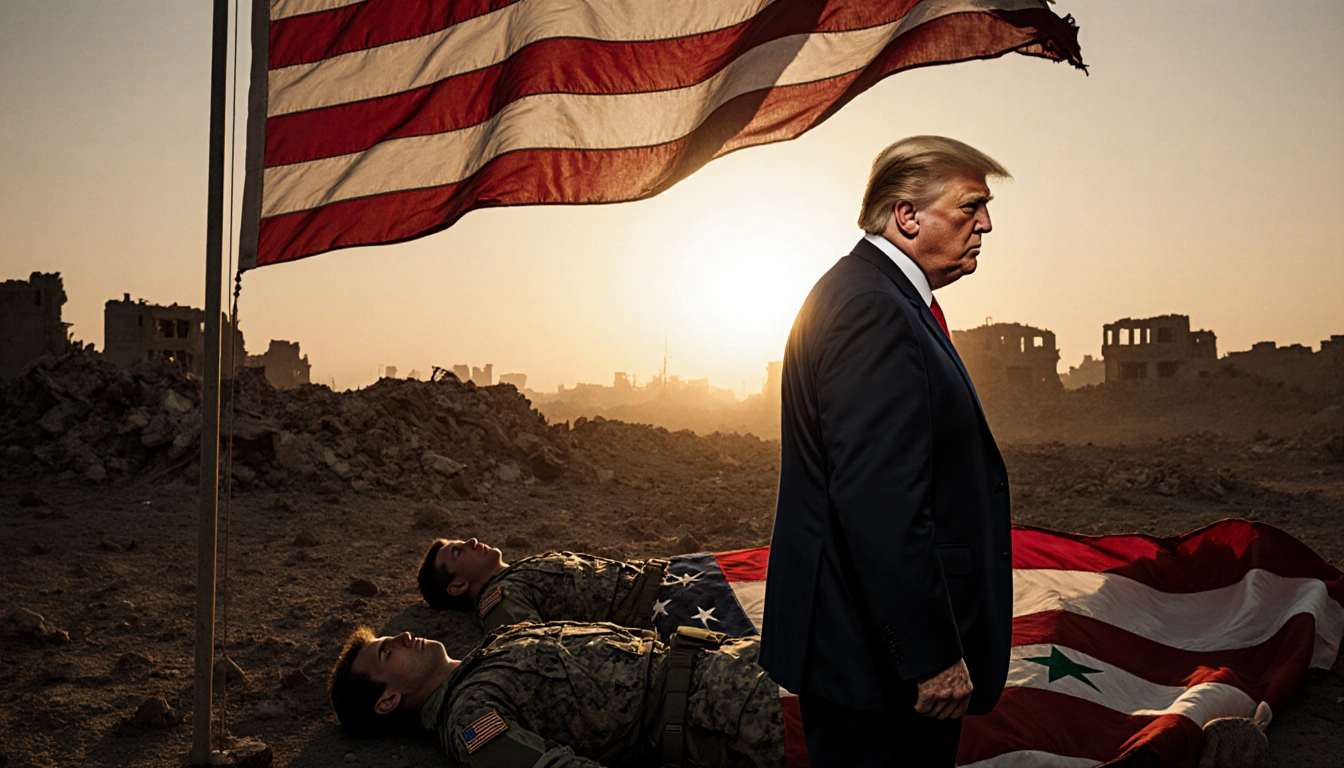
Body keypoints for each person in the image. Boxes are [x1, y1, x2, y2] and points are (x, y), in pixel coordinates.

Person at [759, 136, 1014, 766]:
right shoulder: (873, 309)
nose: (986, 223)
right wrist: (929, 656)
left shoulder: (878, 297)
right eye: (969, 206)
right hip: (877, 665)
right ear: (907, 216)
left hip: (868, 654)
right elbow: (879, 503)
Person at [327, 621, 784, 767]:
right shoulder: (468, 715)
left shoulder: (495, 645)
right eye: (388, 653)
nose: (404, 636)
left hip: (728, 656)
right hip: (723, 711)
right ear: (386, 700)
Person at [416, 538, 669, 633]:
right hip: (663, 607)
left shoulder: (519, 570)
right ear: (458, 586)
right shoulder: (499, 599)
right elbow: (533, 645)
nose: (472, 540)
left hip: (667, 575)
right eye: (458, 552)